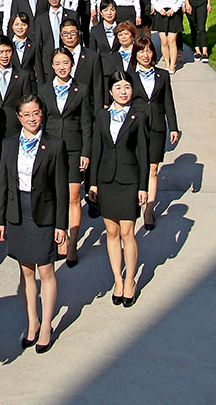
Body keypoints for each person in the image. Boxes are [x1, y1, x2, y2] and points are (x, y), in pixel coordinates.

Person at [0, 94, 68, 352]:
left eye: (35, 113)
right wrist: (0, 219)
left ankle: (46, 324)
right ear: (18, 117)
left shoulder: (55, 145)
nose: (31, 119)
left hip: (44, 214)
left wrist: (61, 225)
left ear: (42, 114)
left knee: (46, 271)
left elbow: (61, 188)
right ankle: (32, 321)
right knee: (26, 271)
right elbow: (2, 183)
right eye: (26, 115)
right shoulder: (9, 144)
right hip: (17, 212)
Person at [88, 71, 150, 308]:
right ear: (110, 91)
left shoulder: (139, 116)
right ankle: (118, 279)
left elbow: (143, 154)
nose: (123, 92)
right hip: (106, 180)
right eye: (118, 87)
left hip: (129, 180)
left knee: (127, 232)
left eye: (127, 87)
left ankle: (130, 280)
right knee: (111, 232)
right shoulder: (102, 115)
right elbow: (96, 149)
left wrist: (143, 186)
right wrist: (92, 182)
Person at [38, 48, 92, 265]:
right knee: (52, 195)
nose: (62, 67)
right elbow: (41, 121)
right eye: (58, 63)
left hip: (73, 149)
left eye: (66, 63)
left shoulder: (82, 89)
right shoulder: (44, 89)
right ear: (52, 66)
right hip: (51, 148)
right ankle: (59, 236)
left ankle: (72, 245)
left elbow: (86, 124)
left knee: (73, 197)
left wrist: (85, 152)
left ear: (72, 64)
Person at [127, 36, 179, 231]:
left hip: (157, 127)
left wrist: (173, 126)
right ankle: (136, 201)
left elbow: (168, 102)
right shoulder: (129, 76)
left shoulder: (162, 75)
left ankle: (148, 210)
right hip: (136, 128)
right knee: (138, 166)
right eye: (141, 51)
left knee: (153, 169)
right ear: (136, 54)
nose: (145, 55)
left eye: (148, 50)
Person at [0, 35, 37, 139]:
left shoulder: (23, 76)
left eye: (7, 51)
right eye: (0, 52)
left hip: (14, 128)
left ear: (12, 51)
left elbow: (26, 104)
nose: (4, 55)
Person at [35, 0, 79, 83]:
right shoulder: (40, 19)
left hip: (69, 63)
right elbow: (38, 47)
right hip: (48, 66)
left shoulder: (72, 15)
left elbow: (78, 41)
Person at [151, 0, 184, 74]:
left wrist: (173, 9)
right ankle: (167, 63)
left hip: (173, 15)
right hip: (161, 14)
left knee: (172, 41)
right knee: (164, 41)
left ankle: (172, 66)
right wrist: (159, 9)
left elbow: (180, 0)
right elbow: (154, 0)